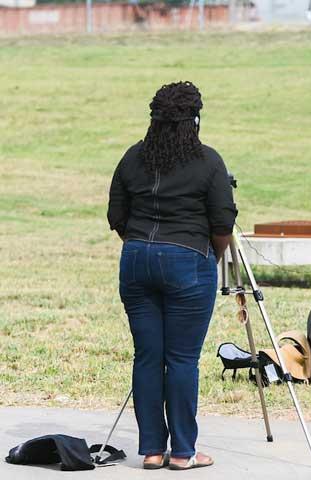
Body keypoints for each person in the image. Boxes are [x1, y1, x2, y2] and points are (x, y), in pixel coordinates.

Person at [107, 81, 237, 469]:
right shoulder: (209, 161)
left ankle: (150, 450)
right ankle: (183, 452)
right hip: (188, 260)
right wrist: (208, 256)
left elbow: (117, 216)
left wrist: (140, 245)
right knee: (181, 359)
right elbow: (222, 221)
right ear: (195, 119)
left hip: (135, 260)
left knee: (147, 357)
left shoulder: (133, 157)